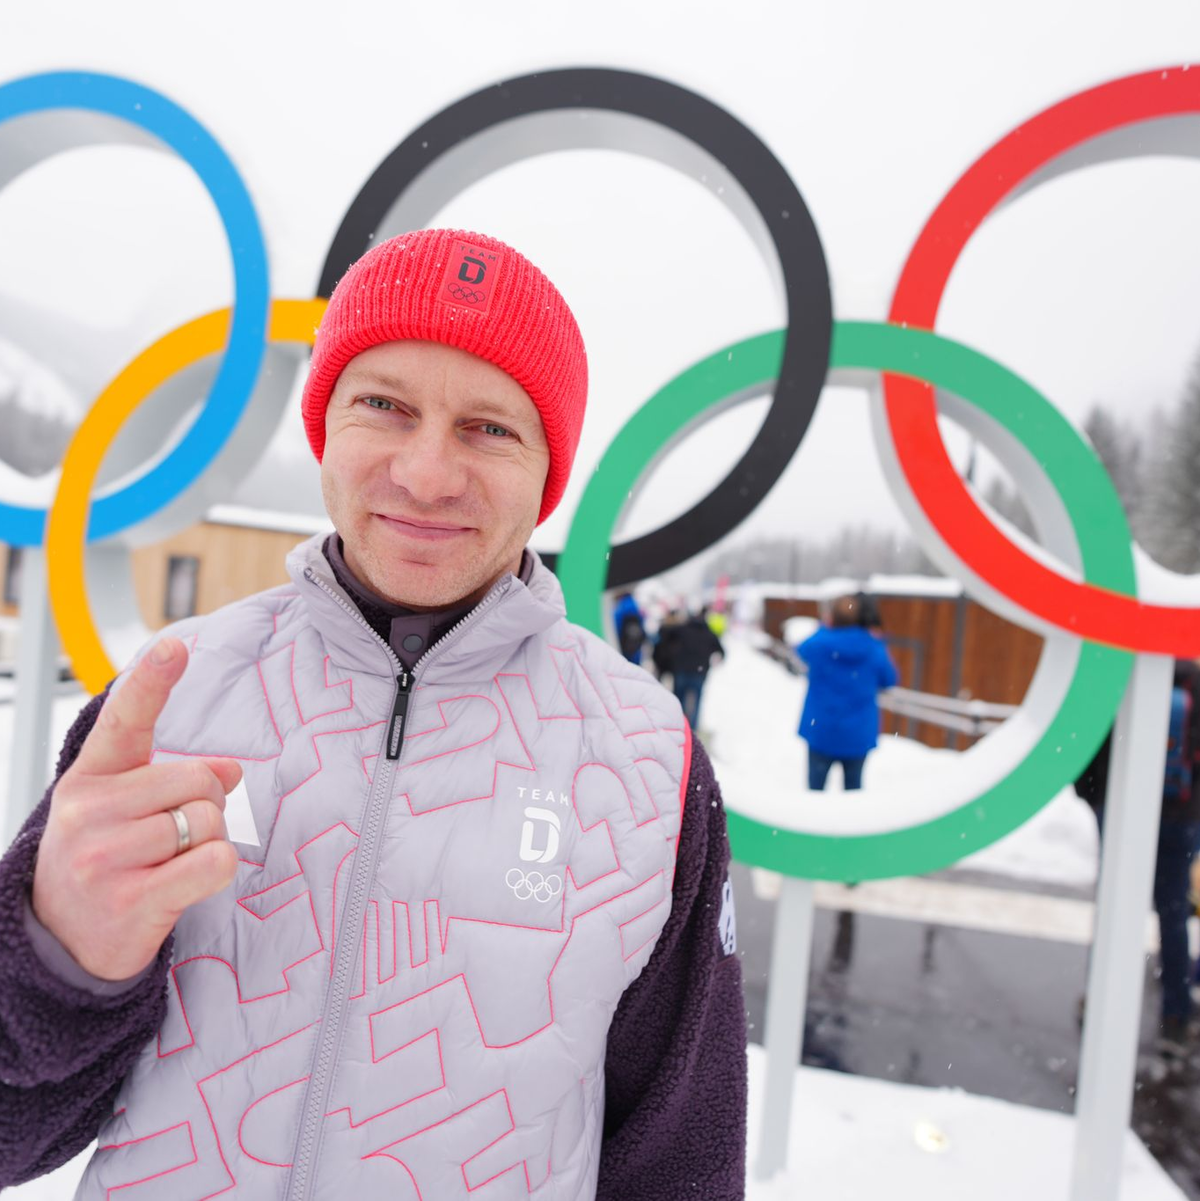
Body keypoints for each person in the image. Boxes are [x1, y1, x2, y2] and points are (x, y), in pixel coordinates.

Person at [0, 229, 747, 1199]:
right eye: (384, 406)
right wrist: (60, 958)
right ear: (325, 428)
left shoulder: (653, 766)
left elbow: (683, 1161)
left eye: (489, 428)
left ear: (547, 470)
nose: (428, 473)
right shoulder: (170, 697)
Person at [1074, 659, 1200, 1057]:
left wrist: (1096, 799)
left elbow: (1091, 744)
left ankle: (1102, 1002)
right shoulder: (1194, 682)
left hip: (1123, 810)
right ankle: (1176, 1016)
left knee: (1115, 908)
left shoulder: (1123, 673)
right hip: (1179, 817)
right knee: (1174, 914)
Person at [796, 594, 898, 791]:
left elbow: (801, 650)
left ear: (832, 617)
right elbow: (889, 679)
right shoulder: (874, 647)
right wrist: (875, 639)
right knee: (853, 796)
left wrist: (825, 627)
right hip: (857, 735)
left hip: (821, 731)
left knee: (814, 795)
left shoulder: (820, 643)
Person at [656, 608, 724, 730]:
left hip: (681, 670)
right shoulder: (709, 634)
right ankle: (692, 730)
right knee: (696, 702)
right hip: (699, 672)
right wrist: (714, 662)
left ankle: (678, 726)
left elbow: (663, 633)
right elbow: (722, 653)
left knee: (678, 700)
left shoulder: (683, 629)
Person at [612, 591, 647, 664]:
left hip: (625, 644)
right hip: (636, 643)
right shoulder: (635, 605)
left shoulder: (620, 608)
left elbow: (617, 626)